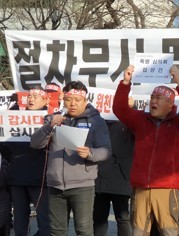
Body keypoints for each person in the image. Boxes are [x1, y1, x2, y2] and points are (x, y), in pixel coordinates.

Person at [112, 65, 179, 236]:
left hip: (166, 189)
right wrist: (125, 82)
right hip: (140, 188)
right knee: (138, 232)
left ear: (170, 103)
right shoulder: (141, 120)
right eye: (152, 97)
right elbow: (119, 109)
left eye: (158, 98)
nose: (153, 101)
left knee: (169, 232)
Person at [30, 81, 111, 236]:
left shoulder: (96, 121)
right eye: (69, 100)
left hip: (82, 186)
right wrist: (49, 126)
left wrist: (90, 153)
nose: (72, 104)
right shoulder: (53, 119)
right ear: (63, 100)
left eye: (77, 100)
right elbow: (35, 144)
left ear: (85, 101)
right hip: (55, 185)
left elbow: (106, 150)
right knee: (57, 231)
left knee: (83, 230)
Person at [5, 86, 50, 236]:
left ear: (45, 99)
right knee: (20, 225)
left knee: (45, 225)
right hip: (17, 177)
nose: (31, 99)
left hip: (39, 179)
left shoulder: (50, 118)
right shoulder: (14, 118)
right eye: (29, 96)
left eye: (35, 96)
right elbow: (5, 145)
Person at [93, 96, 135, 236]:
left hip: (121, 177)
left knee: (123, 218)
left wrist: (131, 108)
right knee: (99, 219)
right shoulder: (97, 120)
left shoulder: (129, 120)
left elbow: (138, 127)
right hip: (99, 177)